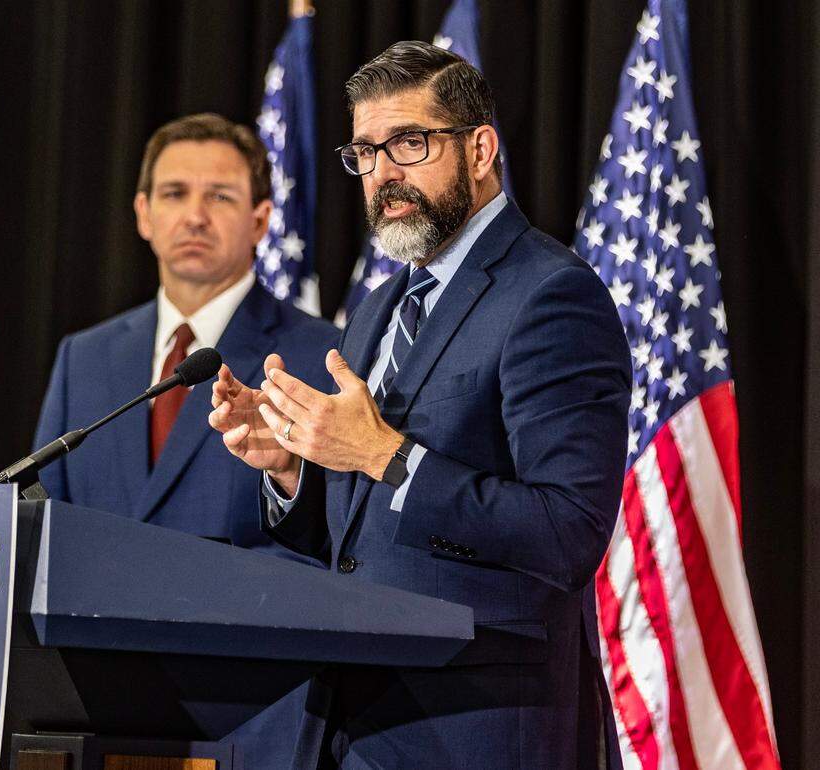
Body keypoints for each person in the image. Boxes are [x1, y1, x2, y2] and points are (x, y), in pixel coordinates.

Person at [209, 42, 631, 768]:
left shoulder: (551, 295)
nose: (383, 173)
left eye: (409, 142)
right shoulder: (379, 308)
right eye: (365, 153)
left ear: (480, 149)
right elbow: (360, 545)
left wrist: (385, 455)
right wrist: (293, 467)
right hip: (353, 725)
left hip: (479, 731)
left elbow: (568, 534)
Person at [34, 113, 339, 562]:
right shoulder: (83, 357)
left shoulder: (322, 355)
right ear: (144, 214)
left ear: (260, 221)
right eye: (175, 194)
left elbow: (335, 543)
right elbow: (44, 527)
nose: (195, 217)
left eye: (219, 196)